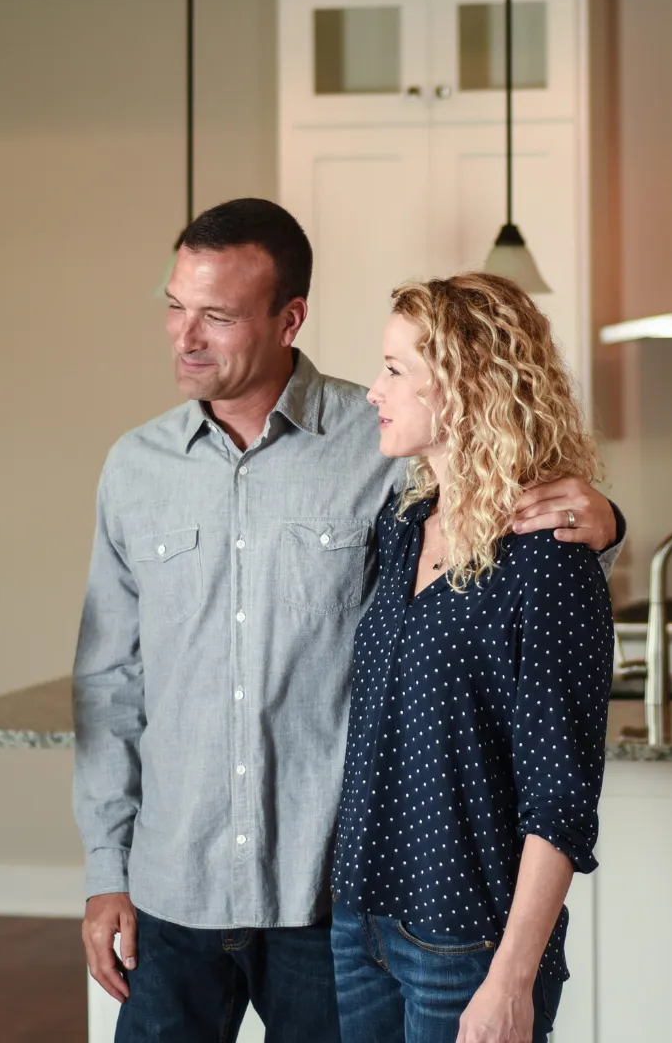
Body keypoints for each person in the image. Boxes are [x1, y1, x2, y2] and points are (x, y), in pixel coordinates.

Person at [73, 198, 621, 1043]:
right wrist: (106, 870)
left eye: (216, 315)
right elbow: (110, 685)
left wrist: (605, 523)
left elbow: (511, 538)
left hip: (329, 895)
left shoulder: (381, 448)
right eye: (176, 306)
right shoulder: (134, 468)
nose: (185, 336)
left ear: (288, 318)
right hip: (177, 885)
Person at [330, 274, 613, 1043]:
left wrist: (513, 977)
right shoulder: (405, 524)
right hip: (364, 919)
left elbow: (562, 800)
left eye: (394, 369)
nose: (372, 392)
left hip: (468, 938)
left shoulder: (549, 559)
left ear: (461, 385)